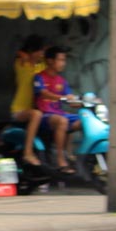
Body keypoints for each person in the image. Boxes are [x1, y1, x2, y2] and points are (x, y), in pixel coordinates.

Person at [33, 46, 79, 174]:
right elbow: (43, 93)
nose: (63, 63)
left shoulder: (61, 81)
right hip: (45, 115)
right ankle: (60, 158)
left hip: (59, 113)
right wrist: (64, 97)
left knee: (83, 121)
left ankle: (71, 154)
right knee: (63, 121)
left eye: (64, 60)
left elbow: (70, 100)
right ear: (50, 61)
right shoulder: (39, 78)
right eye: (60, 60)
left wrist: (83, 102)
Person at [8, 35, 46, 166]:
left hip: (35, 108)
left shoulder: (41, 67)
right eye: (38, 51)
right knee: (36, 114)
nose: (41, 54)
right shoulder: (21, 64)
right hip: (19, 110)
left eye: (42, 51)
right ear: (31, 51)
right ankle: (28, 152)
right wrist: (26, 55)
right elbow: (20, 54)